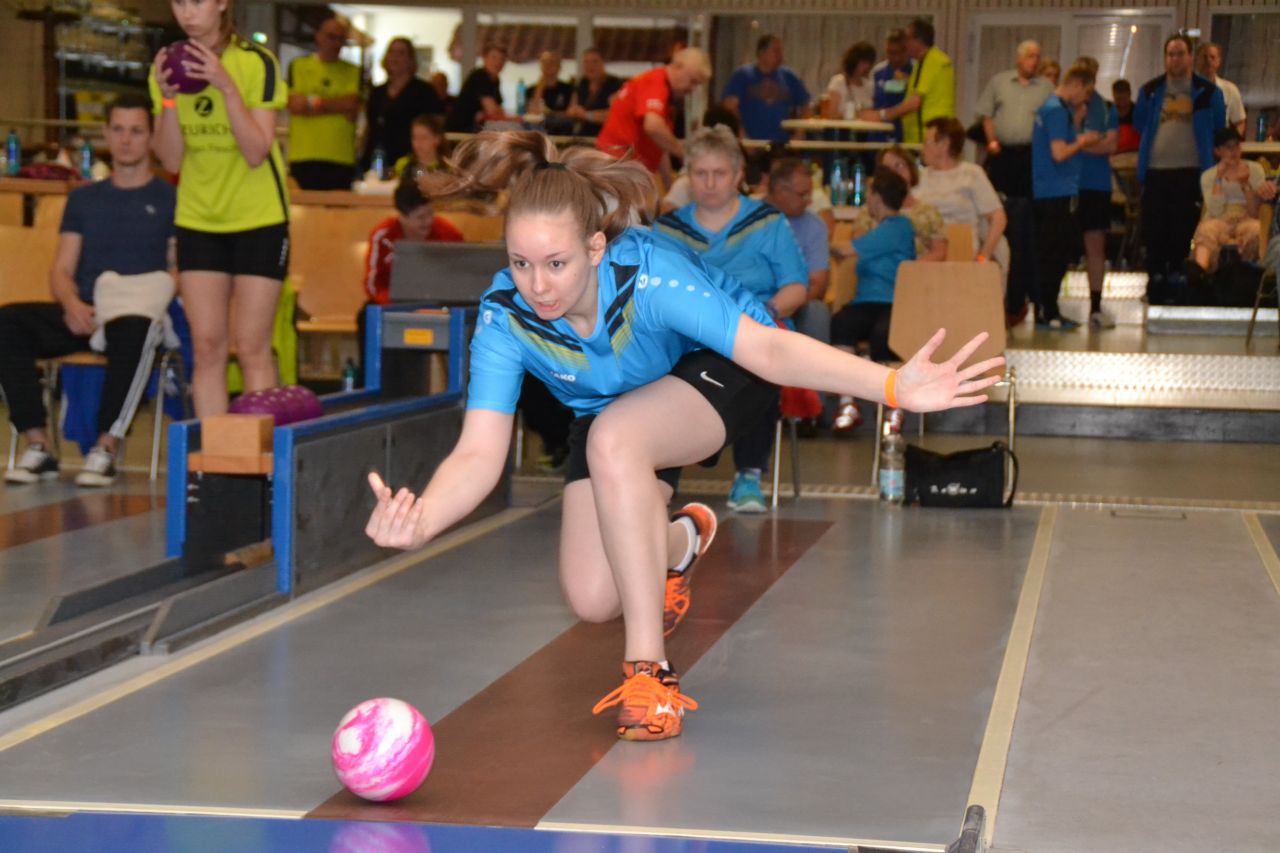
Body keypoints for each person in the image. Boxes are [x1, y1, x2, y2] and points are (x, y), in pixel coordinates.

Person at [365, 130, 1003, 742]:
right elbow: (479, 452)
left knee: (613, 439)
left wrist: (891, 386)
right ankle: (679, 540)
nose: (538, 285)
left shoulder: (647, 274)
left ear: (595, 247)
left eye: (556, 263)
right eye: (521, 264)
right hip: (615, 409)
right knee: (593, 597)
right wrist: (424, 521)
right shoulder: (506, 317)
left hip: (718, 369)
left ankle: (650, 675)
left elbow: (769, 350)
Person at [1, 94, 176, 486]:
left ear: (151, 138)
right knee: (7, 322)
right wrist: (71, 304)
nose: (126, 140)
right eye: (118, 130)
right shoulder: (83, 199)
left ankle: (105, 448)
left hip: (136, 312)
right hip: (85, 310)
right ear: (106, 135)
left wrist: (146, 299)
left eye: (136, 131)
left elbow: (177, 269)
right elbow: (62, 269)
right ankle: (38, 445)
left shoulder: (169, 199)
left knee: (137, 329)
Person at [654, 125, 808, 513]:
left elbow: (796, 287)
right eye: (700, 173)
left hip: (752, 329)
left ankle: (748, 476)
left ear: (738, 175)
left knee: (762, 364)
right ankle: (659, 482)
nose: (709, 183)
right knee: (650, 371)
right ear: (688, 176)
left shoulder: (768, 222)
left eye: (719, 173)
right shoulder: (667, 229)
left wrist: (767, 313)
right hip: (688, 336)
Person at [150, 0, 289, 417]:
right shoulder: (165, 66)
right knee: (208, 346)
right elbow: (171, 159)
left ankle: (260, 455)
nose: (187, 13)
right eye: (179, 2)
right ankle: (213, 453)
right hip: (198, 220)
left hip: (259, 219)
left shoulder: (256, 63)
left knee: (251, 346)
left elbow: (256, 150)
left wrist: (226, 87)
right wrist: (169, 100)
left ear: (222, 3)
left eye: (198, 1)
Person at [1134, 34, 1225, 302]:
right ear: (1165, 58)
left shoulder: (1208, 92)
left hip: (1191, 171)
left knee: (1183, 227)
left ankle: (1178, 279)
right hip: (1156, 170)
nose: (1175, 59)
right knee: (1155, 227)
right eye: (1170, 54)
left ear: (1190, 56)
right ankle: (1155, 280)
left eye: (1180, 53)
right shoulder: (1150, 91)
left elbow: (1219, 129)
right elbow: (1140, 124)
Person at [828, 167, 917, 433]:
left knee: (884, 334)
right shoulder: (878, 230)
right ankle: (847, 403)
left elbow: (845, 250)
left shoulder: (899, 227)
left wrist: (818, 243)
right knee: (842, 323)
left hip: (895, 303)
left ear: (877, 197)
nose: (867, 200)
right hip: (865, 302)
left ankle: (893, 406)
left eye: (869, 194)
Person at [974, 40, 1053, 326]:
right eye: (1030, 56)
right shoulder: (1000, 82)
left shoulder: (1046, 88)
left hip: (1031, 156)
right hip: (1003, 155)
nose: (1034, 60)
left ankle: (1023, 295)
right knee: (1002, 210)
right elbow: (985, 114)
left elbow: (1054, 119)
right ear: (1019, 59)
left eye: (1038, 56)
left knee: (1025, 223)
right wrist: (991, 141)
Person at [1030, 64, 1100, 330]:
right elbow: (1059, 153)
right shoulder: (1057, 111)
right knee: (1055, 254)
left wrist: (1077, 125)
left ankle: (1048, 308)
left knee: (1053, 251)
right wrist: (1083, 141)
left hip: (1050, 189)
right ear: (1077, 85)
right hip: (1056, 191)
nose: (1086, 99)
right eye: (1087, 93)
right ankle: (1048, 310)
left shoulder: (1051, 108)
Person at [596, 47, 712, 181]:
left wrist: (668, 184)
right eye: (692, 81)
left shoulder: (665, 93)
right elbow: (653, 127)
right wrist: (683, 152)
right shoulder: (656, 84)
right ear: (678, 67)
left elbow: (660, 144)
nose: (692, 89)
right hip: (618, 166)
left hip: (626, 167)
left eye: (697, 84)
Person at [1187, 126, 1277, 291]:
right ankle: (1199, 277)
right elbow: (1214, 211)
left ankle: (1247, 280)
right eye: (1228, 147)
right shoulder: (1208, 176)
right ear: (1218, 151)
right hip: (1219, 218)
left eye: (1236, 145)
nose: (1233, 151)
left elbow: (1254, 212)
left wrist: (1245, 184)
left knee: (1256, 230)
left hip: (1246, 215)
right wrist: (1219, 179)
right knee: (1206, 231)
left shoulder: (1255, 169)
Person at [916, 118, 1009, 276]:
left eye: (926, 143)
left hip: (963, 253)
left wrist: (983, 256)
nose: (922, 148)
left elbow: (998, 218)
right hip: (926, 254)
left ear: (944, 144)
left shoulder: (971, 174)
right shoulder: (919, 177)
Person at [362, 178, 464, 308]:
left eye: (431, 214)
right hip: (393, 304)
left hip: (439, 304)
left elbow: (460, 277)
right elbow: (375, 283)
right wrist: (397, 305)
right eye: (421, 217)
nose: (428, 221)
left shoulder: (448, 234)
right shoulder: (384, 236)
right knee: (367, 311)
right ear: (402, 216)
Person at [285, 16, 361, 190]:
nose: (336, 43)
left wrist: (311, 103)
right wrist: (335, 105)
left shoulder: (353, 71)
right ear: (318, 37)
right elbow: (296, 106)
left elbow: (351, 105)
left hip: (341, 157)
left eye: (341, 39)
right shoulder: (298, 66)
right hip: (304, 155)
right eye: (331, 37)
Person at [764, 157, 831, 345]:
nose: (809, 201)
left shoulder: (815, 226)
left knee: (817, 311)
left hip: (795, 305)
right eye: (803, 195)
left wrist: (784, 304)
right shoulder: (746, 217)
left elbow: (817, 284)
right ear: (781, 191)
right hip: (747, 301)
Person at [1073, 57, 1119, 329]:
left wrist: (1077, 144)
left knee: (1095, 246)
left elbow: (1110, 146)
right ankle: (1048, 305)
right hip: (1067, 184)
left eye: (1090, 75)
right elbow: (1059, 143)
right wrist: (1090, 141)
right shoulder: (1063, 107)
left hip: (1096, 184)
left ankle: (1095, 306)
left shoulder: (1107, 107)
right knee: (1059, 245)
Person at [859, 18, 954, 145]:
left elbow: (914, 102)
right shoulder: (921, 63)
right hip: (919, 137)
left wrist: (881, 115)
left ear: (918, 40)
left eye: (907, 39)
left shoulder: (933, 61)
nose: (905, 44)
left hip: (932, 137)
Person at [362, 38, 444, 176]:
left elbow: (436, 124)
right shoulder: (377, 92)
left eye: (401, 53)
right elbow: (370, 127)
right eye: (391, 52)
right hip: (378, 159)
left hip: (412, 161)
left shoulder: (424, 91)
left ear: (410, 60)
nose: (395, 57)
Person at [850, 146, 947, 261]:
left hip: (919, 269)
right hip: (879, 269)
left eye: (899, 166)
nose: (894, 172)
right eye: (887, 168)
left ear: (911, 170)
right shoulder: (868, 211)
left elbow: (939, 252)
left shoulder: (929, 211)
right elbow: (859, 248)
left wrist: (909, 268)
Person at [721, 35, 811, 143]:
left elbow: (806, 105)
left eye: (780, 51)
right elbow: (729, 107)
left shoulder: (789, 76)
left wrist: (799, 133)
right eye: (775, 51)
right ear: (761, 53)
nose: (780, 55)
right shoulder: (743, 75)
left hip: (781, 144)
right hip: (750, 143)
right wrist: (742, 135)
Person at [447, 44, 518, 133]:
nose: (498, 62)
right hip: (461, 130)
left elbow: (498, 109)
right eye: (494, 57)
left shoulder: (495, 80)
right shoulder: (480, 77)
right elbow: (492, 111)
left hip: (475, 128)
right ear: (485, 58)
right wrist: (516, 119)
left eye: (502, 59)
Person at [565, 47, 624, 137]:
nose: (590, 66)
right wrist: (574, 111)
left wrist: (586, 115)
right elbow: (571, 108)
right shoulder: (582, 83)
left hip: (607, 136)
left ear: (603, 63)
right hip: (583, 136)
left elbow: (614, 115)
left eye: (594, 62)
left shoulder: (615, 84)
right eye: (586, 62)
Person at [1194, 42, 1246, 138]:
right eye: (1204, 57)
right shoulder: (1185, 89)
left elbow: (1240, 121)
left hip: (1219, 141)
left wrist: (1232, 141)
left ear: (1219, 61)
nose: (1208, 61)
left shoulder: (1230, 89)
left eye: (1212, 57)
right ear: (1196, 60)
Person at [870, 30, 913, 142]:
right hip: (880, 134)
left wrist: (909, 82)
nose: (895, 58)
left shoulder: (916, 70)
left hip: (905, 135)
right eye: (890, 53)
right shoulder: (878, 72)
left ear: (906, 51)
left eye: (898, 53)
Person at [825, 42, 876, 119]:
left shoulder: (869, 85)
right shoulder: (838, 82)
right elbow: (831, 114)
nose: (867, 66)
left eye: (869, 63)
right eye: (864, 63)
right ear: (853, 61)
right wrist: (855, 115)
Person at [529, 50, 575, 134]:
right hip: (539, 132)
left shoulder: (568, 88)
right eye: (544, 62)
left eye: (552, 62)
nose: (548, 66)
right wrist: (540, 88)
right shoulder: (531, 90)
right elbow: (532, 113)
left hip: (563, 133)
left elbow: (571, 113)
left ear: (559, 67)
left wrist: (551, 114)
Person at [393, 114, 447, 179]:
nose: (418, 143)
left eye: (424, 138)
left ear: (437, 139)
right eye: (414, 137)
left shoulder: (448, 168)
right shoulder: (403, 164)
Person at [1113, 79, 1140, 153]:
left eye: (1124, 99)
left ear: (1129, 94)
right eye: (1118, 99)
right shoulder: (1109, 113)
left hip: (1134, 154)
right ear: (1113, 96)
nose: (1121, 103)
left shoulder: (1138, 112)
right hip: (1114, 155)